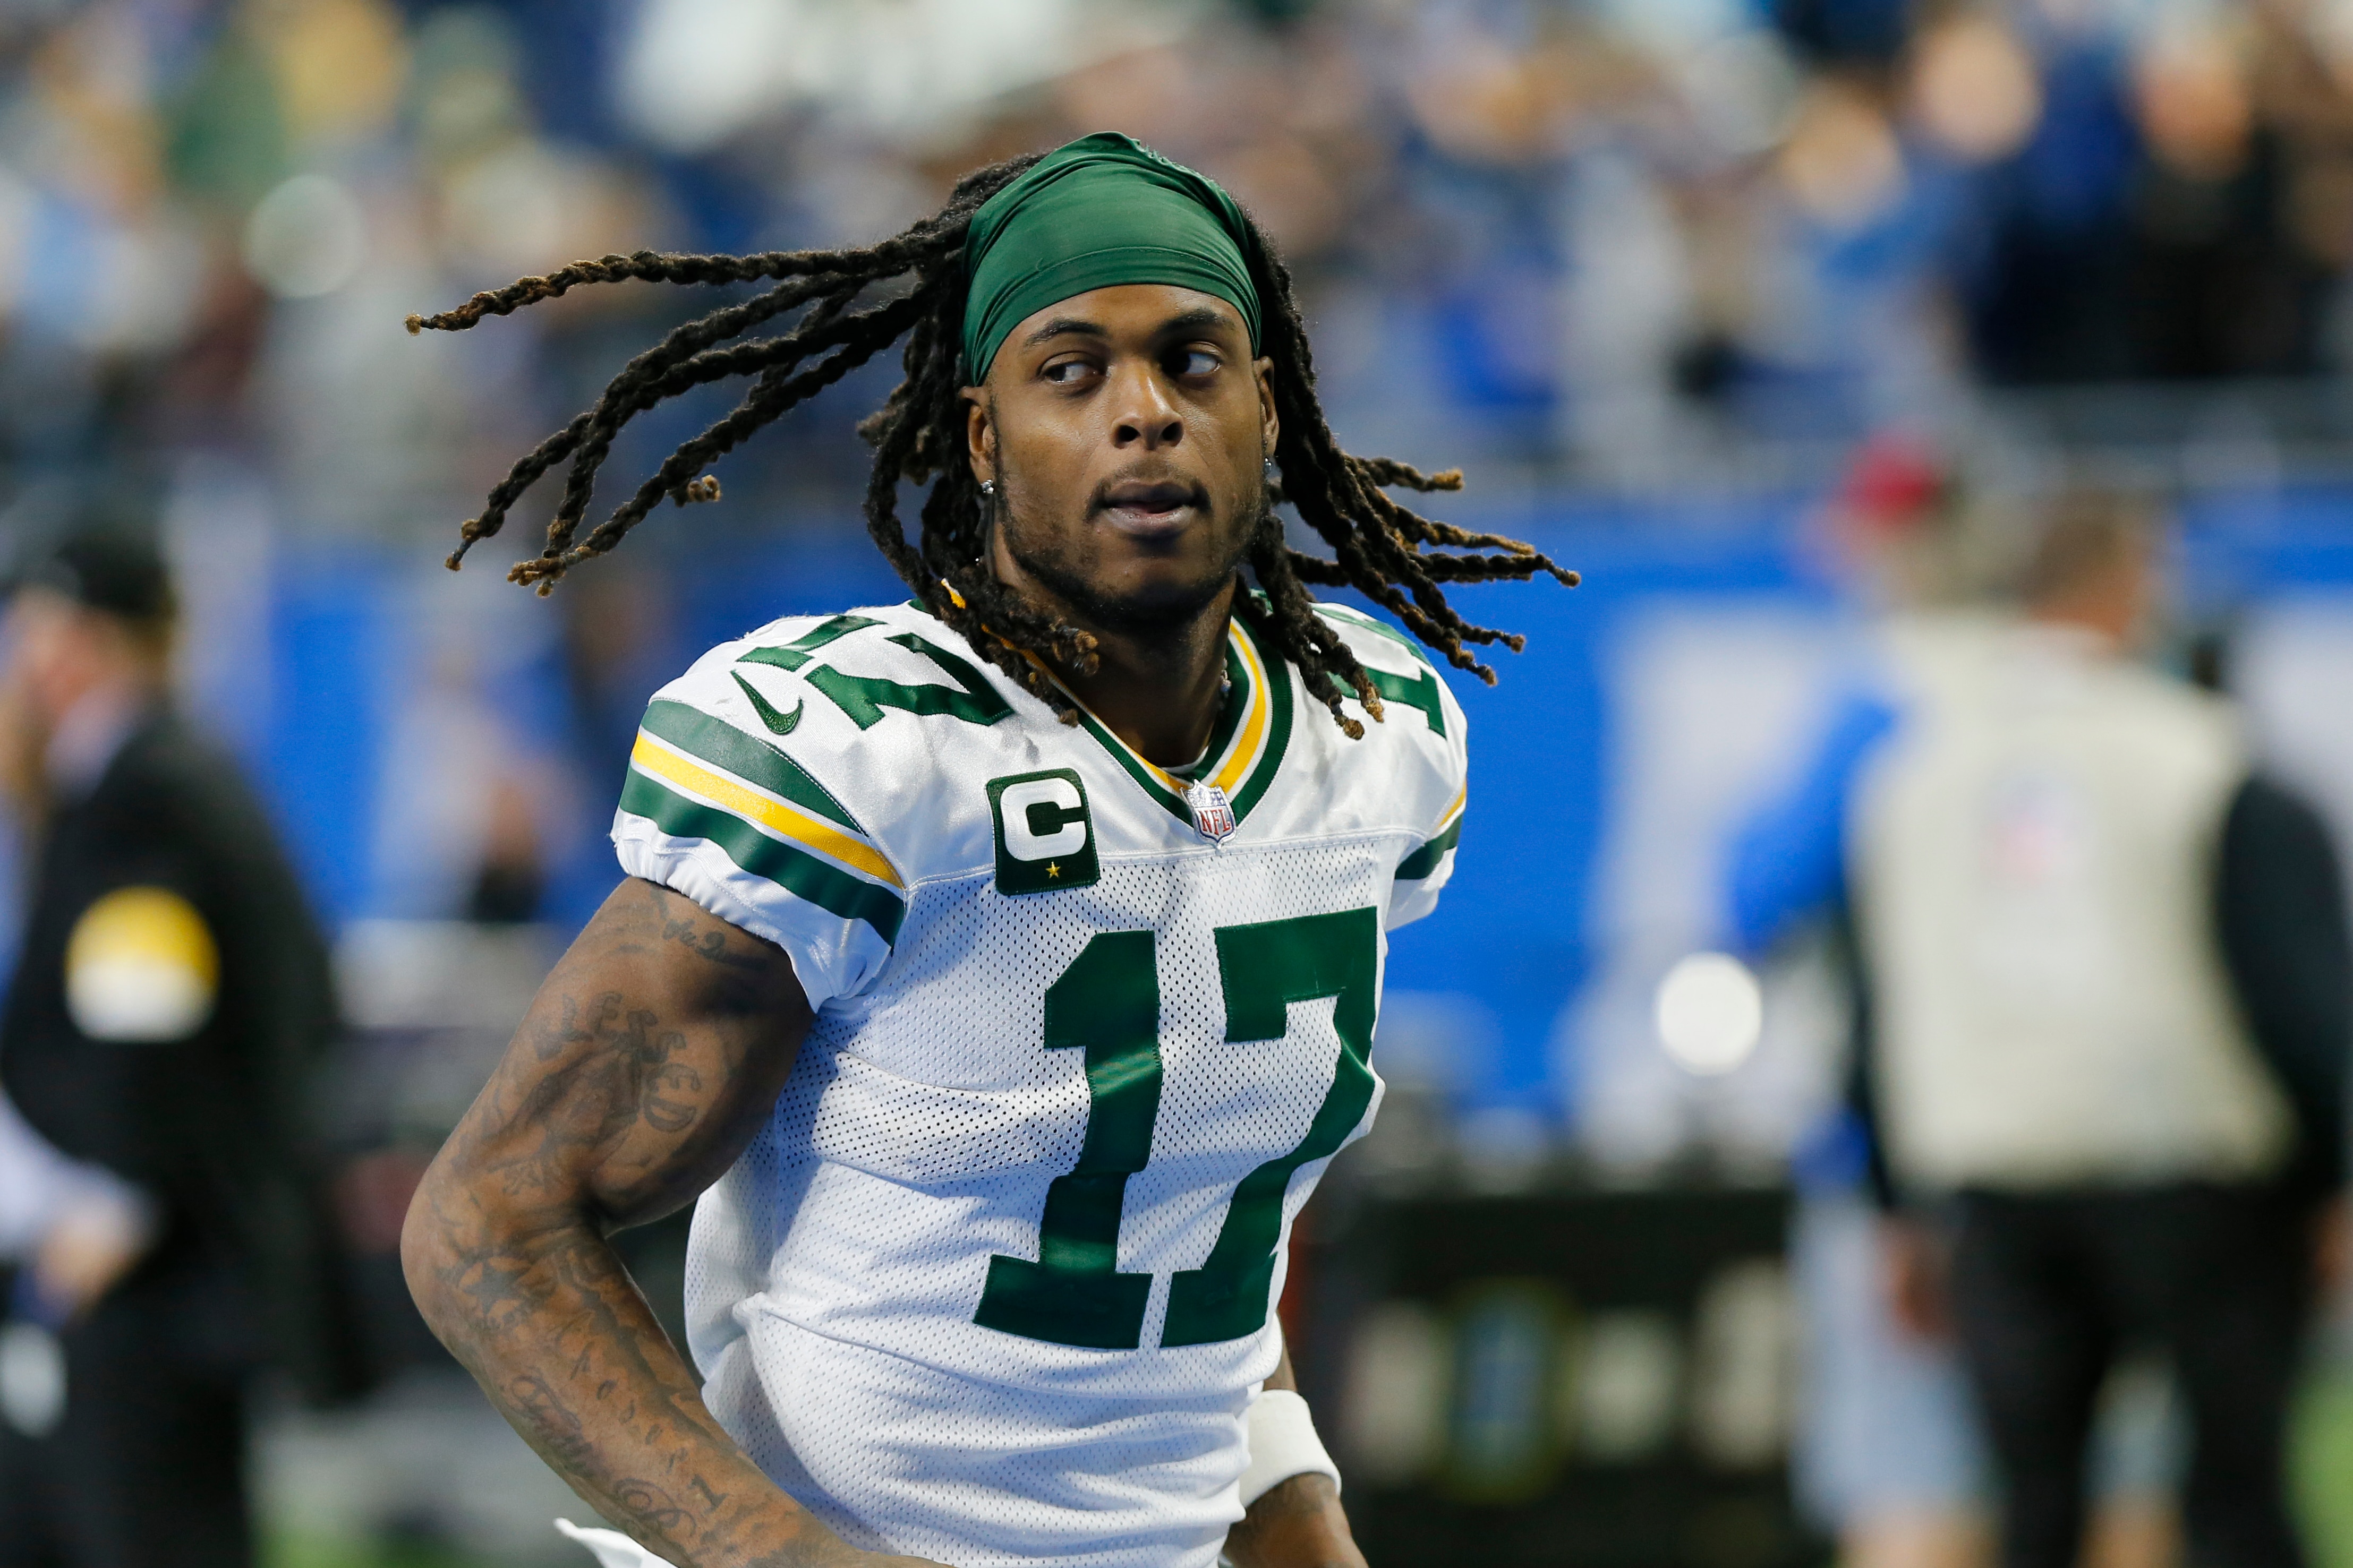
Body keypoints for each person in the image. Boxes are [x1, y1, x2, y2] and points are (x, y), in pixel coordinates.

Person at [399, 132, 1575, 1568]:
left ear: (1265, 410)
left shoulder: (1364, 742)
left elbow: (1183, 1214)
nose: (1140, 414)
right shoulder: (871, 756)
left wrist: (1291, 1496)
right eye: (1068, 371)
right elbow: (489, 1219)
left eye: (1191, 362)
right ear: (979, 437)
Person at [1728, 490, 2349, 1568]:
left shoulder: (1907, 768)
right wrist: (2335, 1170)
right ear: (2129, 588)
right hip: (2194, 1176)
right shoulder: (2202, 759)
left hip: (1993, 1183)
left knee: (2033, 1503)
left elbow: (1875, 1000)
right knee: (2228, 1495)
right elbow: (2296, 991)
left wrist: (1891, 1198)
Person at [0, 520, 366, 1568]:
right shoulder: (162, 773)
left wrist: (122, 1200)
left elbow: (147, 1021)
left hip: (145, 1277)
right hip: (146, 1260)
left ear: (73, 638)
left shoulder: (144, 792)